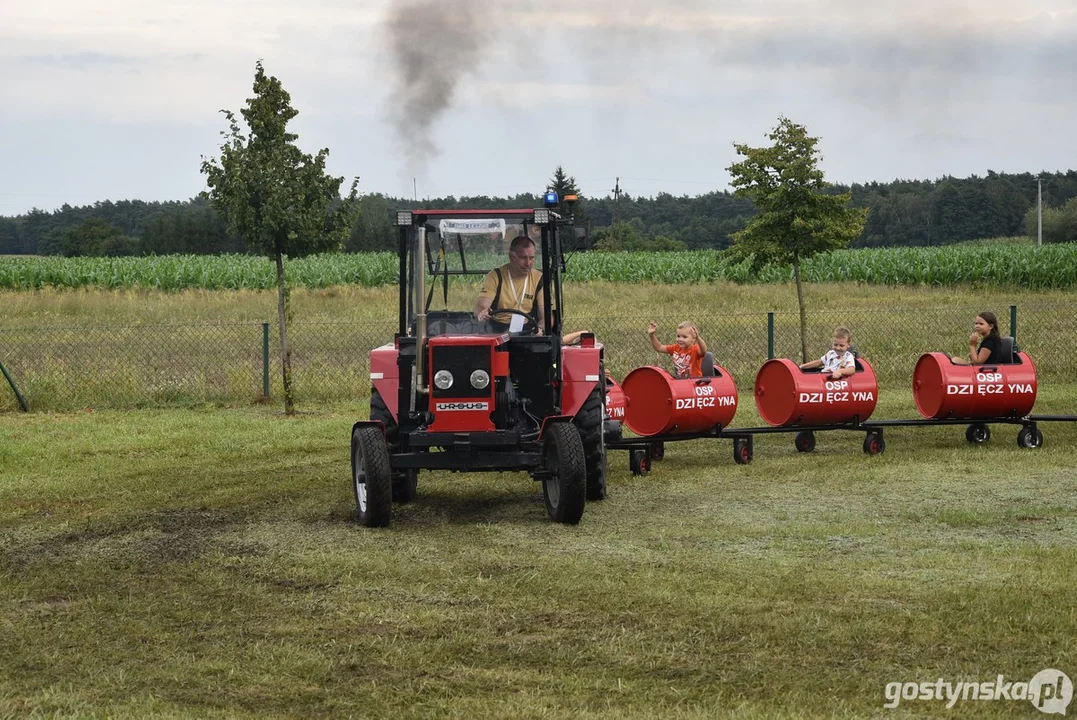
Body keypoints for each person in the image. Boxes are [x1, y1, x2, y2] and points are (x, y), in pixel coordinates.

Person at [474, 235, 544, 333]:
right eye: (523, 258)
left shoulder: (539, 278)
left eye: (531, 258)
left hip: (527, 330)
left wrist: (540, 329)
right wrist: (483, 312)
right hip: (497, 329)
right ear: (512, 257)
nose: (528, 263)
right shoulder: (495, 276)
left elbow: (546, 316)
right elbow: (481, 306)